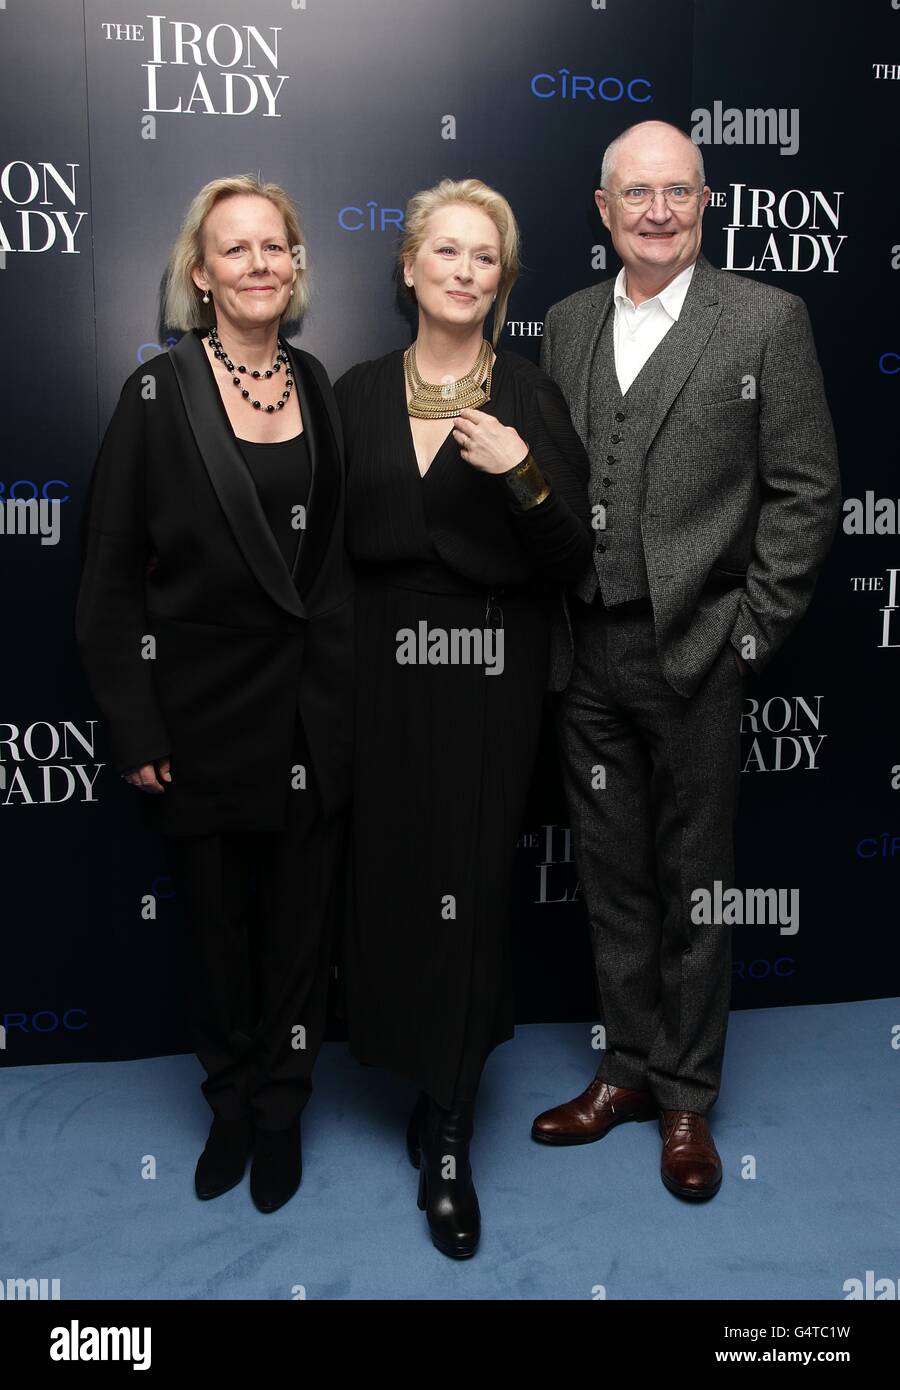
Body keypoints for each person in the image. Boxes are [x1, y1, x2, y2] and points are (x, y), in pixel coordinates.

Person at [533, 120, 840, 1200]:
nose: (658, 211)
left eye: (679, 192)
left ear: (706, 201)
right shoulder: (567, 324)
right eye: (637, 194)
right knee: (612, 879)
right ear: (604, 208)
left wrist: (748, 633)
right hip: (584, 651)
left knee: (697, 888)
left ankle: (686, 1099)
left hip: (697, 654)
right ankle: (622, 1070)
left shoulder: (764, 319)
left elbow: (805, 489)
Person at [76, 175, 353, 1214]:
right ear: (200, 274)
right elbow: (107, 576)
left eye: (274, 247)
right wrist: (136, 719)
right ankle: (230, 1103)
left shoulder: (318, 382)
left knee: (298, 932)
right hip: (197, 717)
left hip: (307, 716)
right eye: (235, 250)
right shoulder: (157, 395)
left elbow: (331, 571)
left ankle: (283, 1105)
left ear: (295, 265)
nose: (259, 265)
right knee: (217, 934)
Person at [334, 178, 592, 1257]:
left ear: (503, 281)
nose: (463, 270)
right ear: (408, 268)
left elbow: (571, 555)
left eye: (485, 257)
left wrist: (522, 475)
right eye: (445, 251)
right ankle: (421, 1077)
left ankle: (449, 1136)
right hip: (383, 675)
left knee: (473, 892)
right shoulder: (352, 393)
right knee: (396, 886)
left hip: (492, 669)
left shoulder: (528, 396)